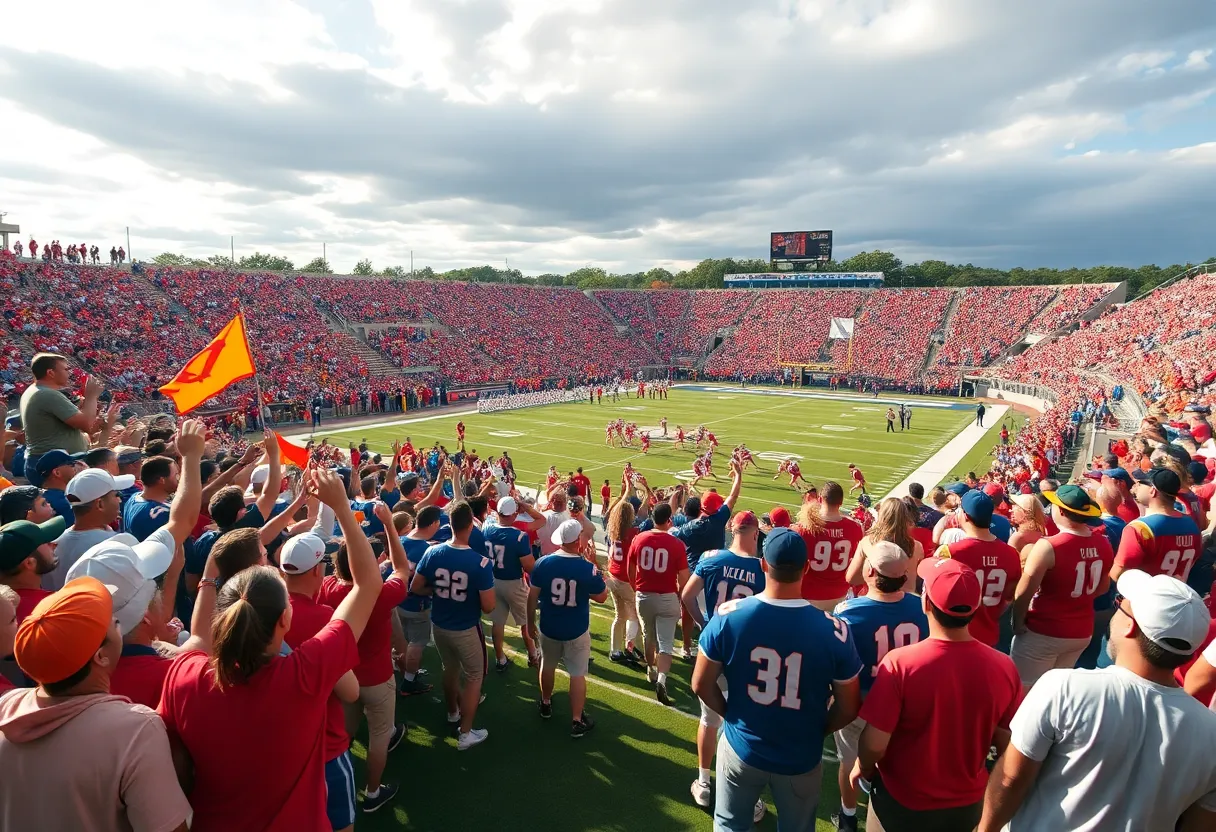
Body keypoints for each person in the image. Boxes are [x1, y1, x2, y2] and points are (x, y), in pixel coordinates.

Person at [156, 468, 382, 832]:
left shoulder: (184, 674)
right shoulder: (303, 674)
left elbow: (199, 637)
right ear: (282, 622)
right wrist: (340, 506)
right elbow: (369, 583)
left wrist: (214, 572)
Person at [979, 571, 1216, 831]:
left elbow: (1012, 779)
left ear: (1130, 626)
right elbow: (1201, 824)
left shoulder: (1064, 688)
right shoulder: (1210, 732)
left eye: (1120, 605)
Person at [693, 527, 862, 832]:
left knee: (730, 826)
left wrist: (731, 716)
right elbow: (849, 707)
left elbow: (701, 683)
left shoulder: (729, 615)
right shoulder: (834, 629)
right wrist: (817, 729)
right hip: (800, 754)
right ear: (806, 568)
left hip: (743, 746)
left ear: (763, 565)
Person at [0, 576, 191, 832]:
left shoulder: (6, 706)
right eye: (114, 622)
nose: (118, 623)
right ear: (100, 656)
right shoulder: (135, 731)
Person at [851, 558, 1022, 831]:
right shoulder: (1004, 666)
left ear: (926, 602)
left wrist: (864, 765)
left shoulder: (901, 664)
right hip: (967, 801)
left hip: (902, 799)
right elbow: (1007, 741)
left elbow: (874, 743)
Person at [317, 501, 409, 812]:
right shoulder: (380, 594)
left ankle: (336, 779)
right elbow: (401, 569)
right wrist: (388, 526)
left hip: (343, 676)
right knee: (380, 736)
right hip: (377, 677)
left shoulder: (326, 588)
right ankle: (372, 793)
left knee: (343, 733)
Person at [831, 541, 929, 832]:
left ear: (870, 570)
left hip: (862, 702)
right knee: (896, 759)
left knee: (850, 760)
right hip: (906, 701)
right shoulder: (921, 606)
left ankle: (849, 815)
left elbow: (838, 664)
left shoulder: (848, 611)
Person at [680, 510, 767, 812]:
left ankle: (704, 783)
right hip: (747, 654)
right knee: (746, 724)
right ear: (755, 533)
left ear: (732, 529)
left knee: (709, 719)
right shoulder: (762, 570)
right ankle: (751, 797)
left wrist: (705, 623)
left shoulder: (712, 558)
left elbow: (687, 595)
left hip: (714, 648)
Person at [1010, 484, 1115, 690]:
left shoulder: (1049, 545)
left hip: (1044, 630)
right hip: (1081, 630)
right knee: (1056, 690)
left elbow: (1024, 591)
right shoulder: (1103, 543)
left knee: (1022, 690)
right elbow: (1103, 587)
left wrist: (1017, 621)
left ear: (1061, 511)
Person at [412, 500, 496, 750]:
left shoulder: (432, 552)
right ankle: (466, 732)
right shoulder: (479, 562)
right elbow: (489, 606)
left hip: (439, 624)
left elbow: (416, 587)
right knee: (473, 676)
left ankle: (452, 713)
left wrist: (438, 591)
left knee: (449, 668)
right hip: (465, 627)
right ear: (470, 526)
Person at [527, 518, 607, 735]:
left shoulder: (543, 563)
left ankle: (545, 703)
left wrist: (529, 622)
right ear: (577, 540)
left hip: (549, 625)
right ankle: (576, 719)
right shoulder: (586, 567)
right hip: (576, 628)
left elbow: (532, 596)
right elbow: (601, 596)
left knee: (548, 665)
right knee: (577, 674)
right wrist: (594, 568)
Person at [933, 491, 1021, 649]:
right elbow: (1008, 596)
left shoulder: (950, 552)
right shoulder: (1011, 554)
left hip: (955, 637)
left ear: (965, 516)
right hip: (990, 635)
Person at [627, 501, 689, 705]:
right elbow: (684, 577)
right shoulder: (677, 544)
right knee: (666, 643)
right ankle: (662, 678)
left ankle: (651, 669)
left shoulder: (639, 538)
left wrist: (638, 589)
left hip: (644, 594)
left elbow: (631, 570)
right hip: (667, 596)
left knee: (648, 636)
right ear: (669, 520)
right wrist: (678, 596)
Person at [19, 353, 102, 487]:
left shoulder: (36, 391)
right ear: (50, 372)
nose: (68, 373)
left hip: (46, 462)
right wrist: (91, 396)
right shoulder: (47, 394)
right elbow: (87, 424)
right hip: (55, 467)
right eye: (65, 369)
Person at [47, 467, 135, 590]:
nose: (120, 500)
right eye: (116, 495)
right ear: (100, 504)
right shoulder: (117, 544)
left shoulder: (54, 544)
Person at [1111, 467, 1203, 583]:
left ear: (1153, 490)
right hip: (1180, 595)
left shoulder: (1139, 528)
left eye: (1141, 483)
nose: (1136, 486)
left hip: (1148, 598)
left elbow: (1118, 574)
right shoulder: (1192, 525)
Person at [483, 495, 543, 670]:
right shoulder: (519, 536)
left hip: (493, 580)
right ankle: (533, 655)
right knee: (526, 622)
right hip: (513, 583)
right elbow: (529, 567)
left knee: (498, 622)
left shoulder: (487, 528)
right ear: (514, 514)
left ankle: (500, 658)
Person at [797, 481, 864, 611]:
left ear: (820, 499)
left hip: (810, 596)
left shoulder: (804, 528)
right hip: (841, 596)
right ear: (841, 502)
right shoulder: (855, 528)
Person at [395, 505, 440, 696]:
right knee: (417, 642)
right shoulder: (426, 551)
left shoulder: (400, 540)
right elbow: (421, 585)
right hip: (415, 603)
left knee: (401, 639)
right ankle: (409, 682)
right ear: (434, 524)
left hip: (396, 599)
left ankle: (402, 669)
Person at [603, 488, 643, 664]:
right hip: (626, 579)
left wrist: (627, 488)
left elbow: (613, 511)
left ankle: (615, 650)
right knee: (634, 616)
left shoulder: (612, 529)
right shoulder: (633, 533)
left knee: (619, 616)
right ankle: (629, 647)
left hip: (612, 576)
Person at [1, 516, 64, 626]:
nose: (53, 544)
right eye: (45, 542)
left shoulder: (4, 610)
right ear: (29, 563)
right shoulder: (55, 608)